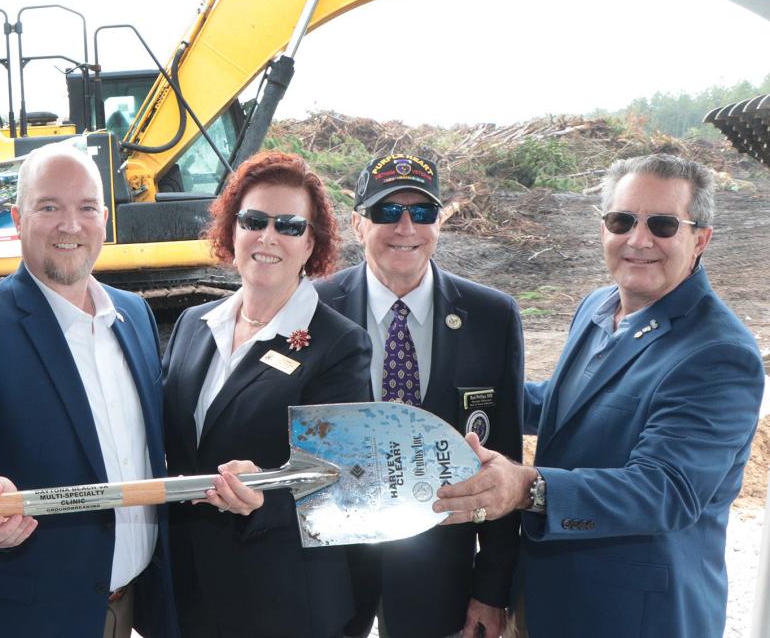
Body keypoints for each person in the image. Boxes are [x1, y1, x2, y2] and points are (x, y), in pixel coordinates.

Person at [433, 153, 765, 638]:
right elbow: (567, 408)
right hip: (547, 597)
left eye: (664, 224)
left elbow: (665, 490)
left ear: (701, 239)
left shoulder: (717, 354)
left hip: (634, 616)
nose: (639, 239)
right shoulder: (598, 305)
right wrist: (456, 398)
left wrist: (527, 487)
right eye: (622, 220)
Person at [0, 141, 178, 638]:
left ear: (105, 218)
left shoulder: (134, 316)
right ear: (17, 217)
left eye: (86, 208)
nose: (70, 225)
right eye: (49, 207)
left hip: (128, 610)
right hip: (22, 619)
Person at [161, 150, 373, 638]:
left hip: (282, 601)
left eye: (289, 225)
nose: (268, 236)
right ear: (231, 231)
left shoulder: (339, 345)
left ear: (310, 244)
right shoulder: (195, 325)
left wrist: (263, 498)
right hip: (192, 594)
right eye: (254, 220)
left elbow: (341, 480)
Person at [315, 154, 524, 638]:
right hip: (332, 569)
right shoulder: (315, 307)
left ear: (438, 223)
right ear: (357, 223)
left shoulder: (491, 316)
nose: (405, 227)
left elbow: (504, 456)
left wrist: (491, 590)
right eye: (387, 212)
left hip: (440, 571)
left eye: (422, 212)